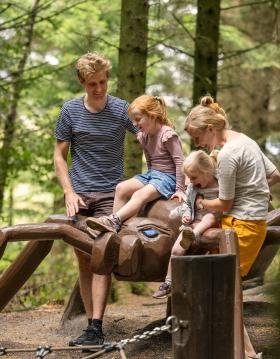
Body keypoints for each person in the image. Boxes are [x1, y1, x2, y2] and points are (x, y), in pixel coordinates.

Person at [184, 95, 280, 359]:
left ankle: (244, 352)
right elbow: (274, 175)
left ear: (210, 129)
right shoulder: (244, 139)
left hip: (243, 224)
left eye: (197, 136)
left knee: (222, 285)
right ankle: (244, 350)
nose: (198, 143)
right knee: (220, 282)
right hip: (249, 219)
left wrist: (202, 203)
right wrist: (256, 191)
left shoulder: (227, 154)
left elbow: (224, 204)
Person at [54, 52, 138, 346]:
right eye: (92, 84)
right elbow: (59, 157)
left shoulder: (122, 110)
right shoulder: (69, 111)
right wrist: (68, 192)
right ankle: (91, 327)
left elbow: (150, 135)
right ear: (82, 82)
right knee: (84, 259)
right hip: (79, 195)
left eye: (103, 82)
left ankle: (96, 326)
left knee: (101, 253)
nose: (99, 88)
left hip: (111, 196)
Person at [85, 95, 186, 233]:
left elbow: (180, 162)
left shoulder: (167, 134)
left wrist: (180, 189)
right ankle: (114, 227)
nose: (134, 124)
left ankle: (113, 220)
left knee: (139, 195)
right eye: (133, 120)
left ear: (152, 116)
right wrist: (149, 180)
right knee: (121, 187)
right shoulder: (144, 136)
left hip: (168, 178)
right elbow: (150, 160)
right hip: (153, 175)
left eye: (138, 119)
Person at [152, 150, 221, 299]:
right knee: (176, 250)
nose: (191, 181)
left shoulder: (221, 183)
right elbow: (188, 205)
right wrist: (187, 215)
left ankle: (193, 236)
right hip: (195, 223)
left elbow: (233, 197)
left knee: (209, 217)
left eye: (194, 177)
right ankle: (168, 283)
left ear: (207, 172)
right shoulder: (193, 187)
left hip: (214, 221)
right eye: (189, 177)